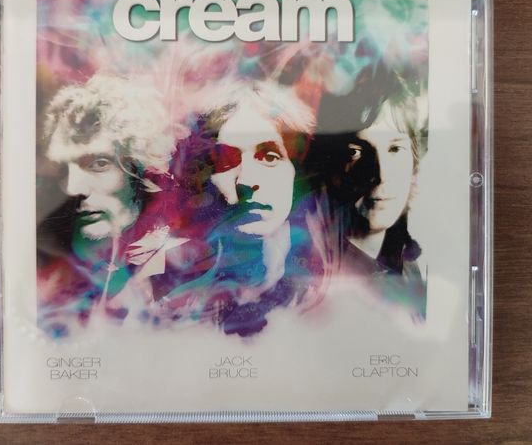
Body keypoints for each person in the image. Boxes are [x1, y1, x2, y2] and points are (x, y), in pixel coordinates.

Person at [159, 79, 327, 336]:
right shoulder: (172, 302)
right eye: (226, 161)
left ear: (296, 172)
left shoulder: (331, 292)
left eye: (269, 156)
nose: (246, 180)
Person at [36, 73, 177, 336]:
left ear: (143, 170)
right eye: (63, 169)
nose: (72, 188)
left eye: (98, 164)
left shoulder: (184, 270)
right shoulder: (54, 272)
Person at [314, 69, 428, 318]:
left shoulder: (408, 264)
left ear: (414, 161)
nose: (381, 174)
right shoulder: (313, 278)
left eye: (395, 149)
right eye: (356, 152)